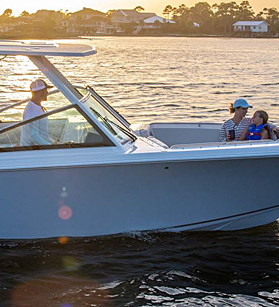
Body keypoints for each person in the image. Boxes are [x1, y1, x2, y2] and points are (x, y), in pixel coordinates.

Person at [20, 79, 54, 146]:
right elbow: (34, 136)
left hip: (39, 147)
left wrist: (52, 142)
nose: (47, 93)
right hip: (31, 151)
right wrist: (49, 146)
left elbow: (43, 134)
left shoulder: (37, 106)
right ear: (40, 92)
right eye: (46, 90)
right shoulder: (31, 112)